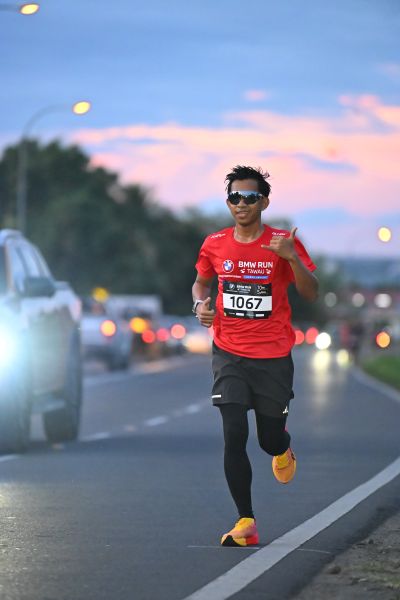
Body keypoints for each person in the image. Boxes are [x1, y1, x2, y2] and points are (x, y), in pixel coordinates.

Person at [192, 165, 318, 547]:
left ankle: (283, 448)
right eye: (235, 197)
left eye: (250, 197)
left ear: (264, 202)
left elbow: (311, 292)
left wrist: (292, 258)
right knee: (234, 432)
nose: (241, 203)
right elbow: (201, 282)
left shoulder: (282, 243)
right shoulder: (215, 243)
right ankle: (245, 521)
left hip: (273, 356)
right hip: (228, 352)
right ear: (228, 202)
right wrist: (200, 306)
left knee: (268, 439)